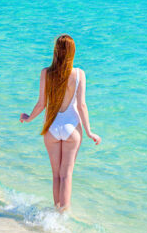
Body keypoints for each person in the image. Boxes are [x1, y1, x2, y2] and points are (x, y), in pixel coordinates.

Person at [20, 34, 101, 211]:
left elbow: (41, 104)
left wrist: (28, 118)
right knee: (67, 175)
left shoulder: (46, 73)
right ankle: (62, 220)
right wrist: (89, 132)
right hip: (72, 130)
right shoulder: (79, 74)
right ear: (72, 52)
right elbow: (81, 105)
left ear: (56, 50)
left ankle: (54, 215)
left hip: (51, 129)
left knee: (56, 175)